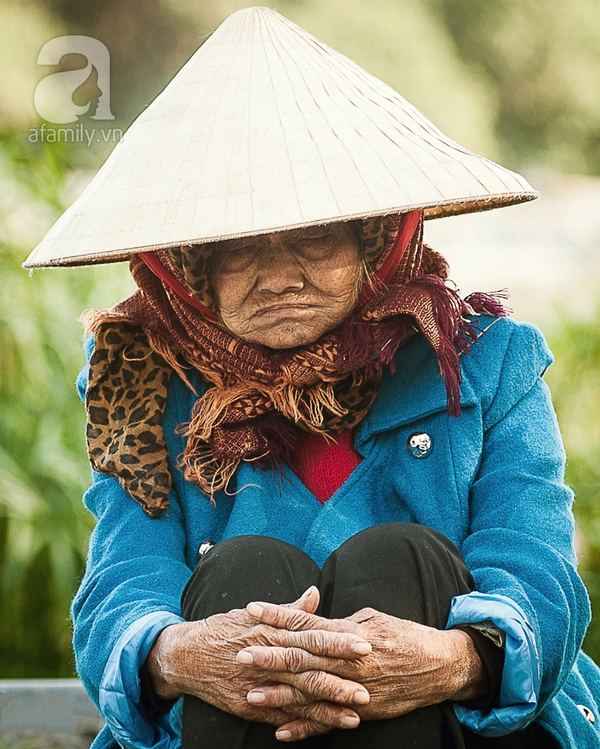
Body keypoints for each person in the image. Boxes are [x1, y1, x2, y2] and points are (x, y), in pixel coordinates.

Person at [24, 7, 600, 749]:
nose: (279, 275)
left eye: (315, 234)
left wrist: (458, 659)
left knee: (401, 559)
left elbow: (539, 572)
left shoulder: (492, 363)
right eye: (239, 247)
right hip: (235, 726)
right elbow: (122, 584)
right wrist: (177, 655)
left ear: (375, 239)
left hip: (459, 730)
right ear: (191, 266)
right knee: (247, 570)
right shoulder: (144, 385)